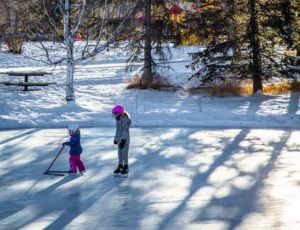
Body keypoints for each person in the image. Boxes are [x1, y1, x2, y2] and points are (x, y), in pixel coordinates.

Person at [112, 105, 131, 177]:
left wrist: (123, 140)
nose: (114, 115)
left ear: (119, 113)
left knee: (124, 153)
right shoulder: (118, 119)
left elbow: (125, 131)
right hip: (120, 139)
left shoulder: (125, 120)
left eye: (115, 113)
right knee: (119, 153)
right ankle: (120, 166)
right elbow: (117, 130)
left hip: (125, 139)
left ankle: (126, 167)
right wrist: (115, 138)